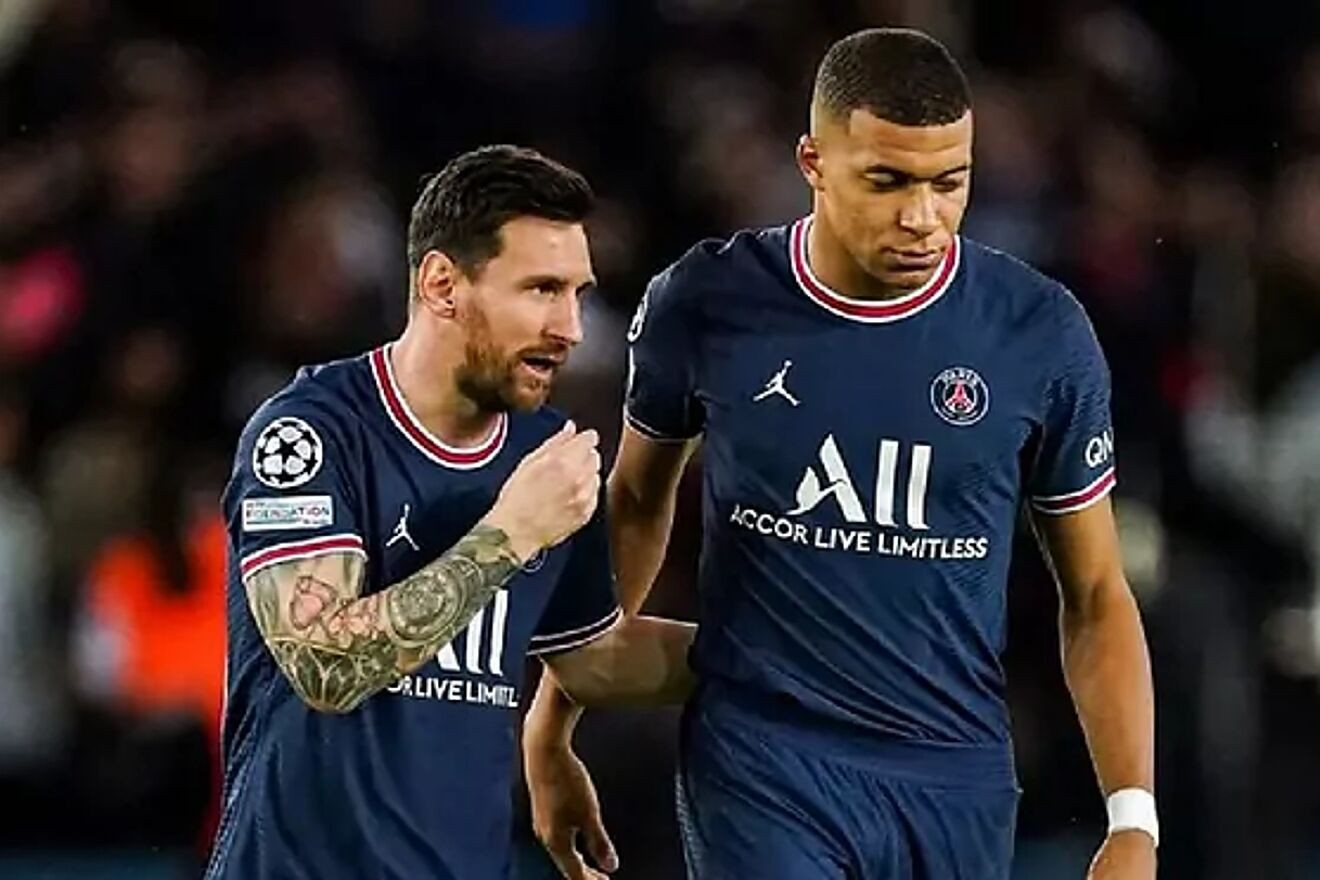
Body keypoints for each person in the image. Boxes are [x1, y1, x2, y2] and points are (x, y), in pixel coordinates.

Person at [525, 29, 1157, 880]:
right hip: (763, 762)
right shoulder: (708, 302)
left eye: (949, 183)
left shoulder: (1038, 333)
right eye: (887, 181)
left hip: (955, 774)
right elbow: (636, 505)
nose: (922, 217)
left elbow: (1096, 591)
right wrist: (554, 722)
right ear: (814, 163)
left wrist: (1132, 819)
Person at [205, 144, 695, 880]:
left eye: (578, 293)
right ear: (441, 285)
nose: (570, 327)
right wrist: (510, 534)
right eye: (541, 289)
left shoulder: (542, 450)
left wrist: (796, 658)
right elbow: (324, 667)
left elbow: (593, 659)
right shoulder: (311, 433)